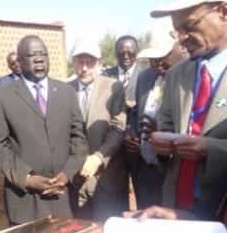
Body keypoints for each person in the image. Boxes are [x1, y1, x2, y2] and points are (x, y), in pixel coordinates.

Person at [0, 35, 87, 225]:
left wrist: (67, 173)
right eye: (32, 55)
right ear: (19, 60)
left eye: (43, 54)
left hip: (63, 196)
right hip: (25, 200)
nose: (39, 59)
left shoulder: (66, 92)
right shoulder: (2, 97)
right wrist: (27, 178)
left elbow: (79, 139)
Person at [149, 0, 227, 212]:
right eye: (178, 31)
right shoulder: (176, 75)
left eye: (190, 25)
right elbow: (166, 126)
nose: (182, 38)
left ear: (223, 12)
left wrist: (211, 149)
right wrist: (161, 144)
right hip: (176, 207)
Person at [124, 18, 188, 209]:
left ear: (180, 46)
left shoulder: (192, 78)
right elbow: (136, 113)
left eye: (162, 57)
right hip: (147, 172)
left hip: (176, 173)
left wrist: (163, 132)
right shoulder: (145, 77)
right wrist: (130, 130)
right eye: (152, 59)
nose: (155, 64)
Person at [68, 40, 128, 221]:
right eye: (80, 62)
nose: (84, 68)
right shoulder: (66, 89)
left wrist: (98, 157)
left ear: (100, 63)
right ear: (74, 63)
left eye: (90, 62)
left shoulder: (113, 87)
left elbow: (118, 128)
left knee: (106, 224)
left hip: (106, 176)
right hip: (75, 177)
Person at [103, 35, 146, 207]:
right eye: (121, 53)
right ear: (115, 53)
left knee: (141, 191)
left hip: (136, 145)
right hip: (114, 147)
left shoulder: (147, 74)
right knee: (117, 192)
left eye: (130, 52)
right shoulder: (106, 76)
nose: (126, 56)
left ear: (137, 51)